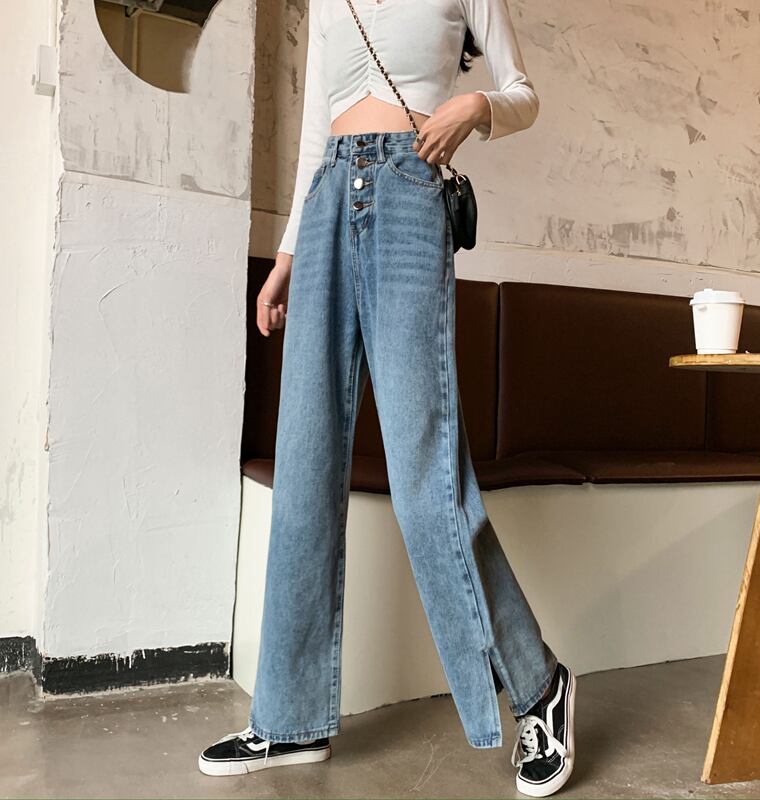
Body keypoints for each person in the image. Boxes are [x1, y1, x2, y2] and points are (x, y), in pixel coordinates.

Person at [198, 0, 576, 796]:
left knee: (425, 482)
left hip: (408, 194)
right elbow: (315, 133)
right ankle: (290, 719)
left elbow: (524, 92)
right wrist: (287, 257)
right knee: (303, 468)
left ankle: (538, 685)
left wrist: (474, 107)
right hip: (328, 202)